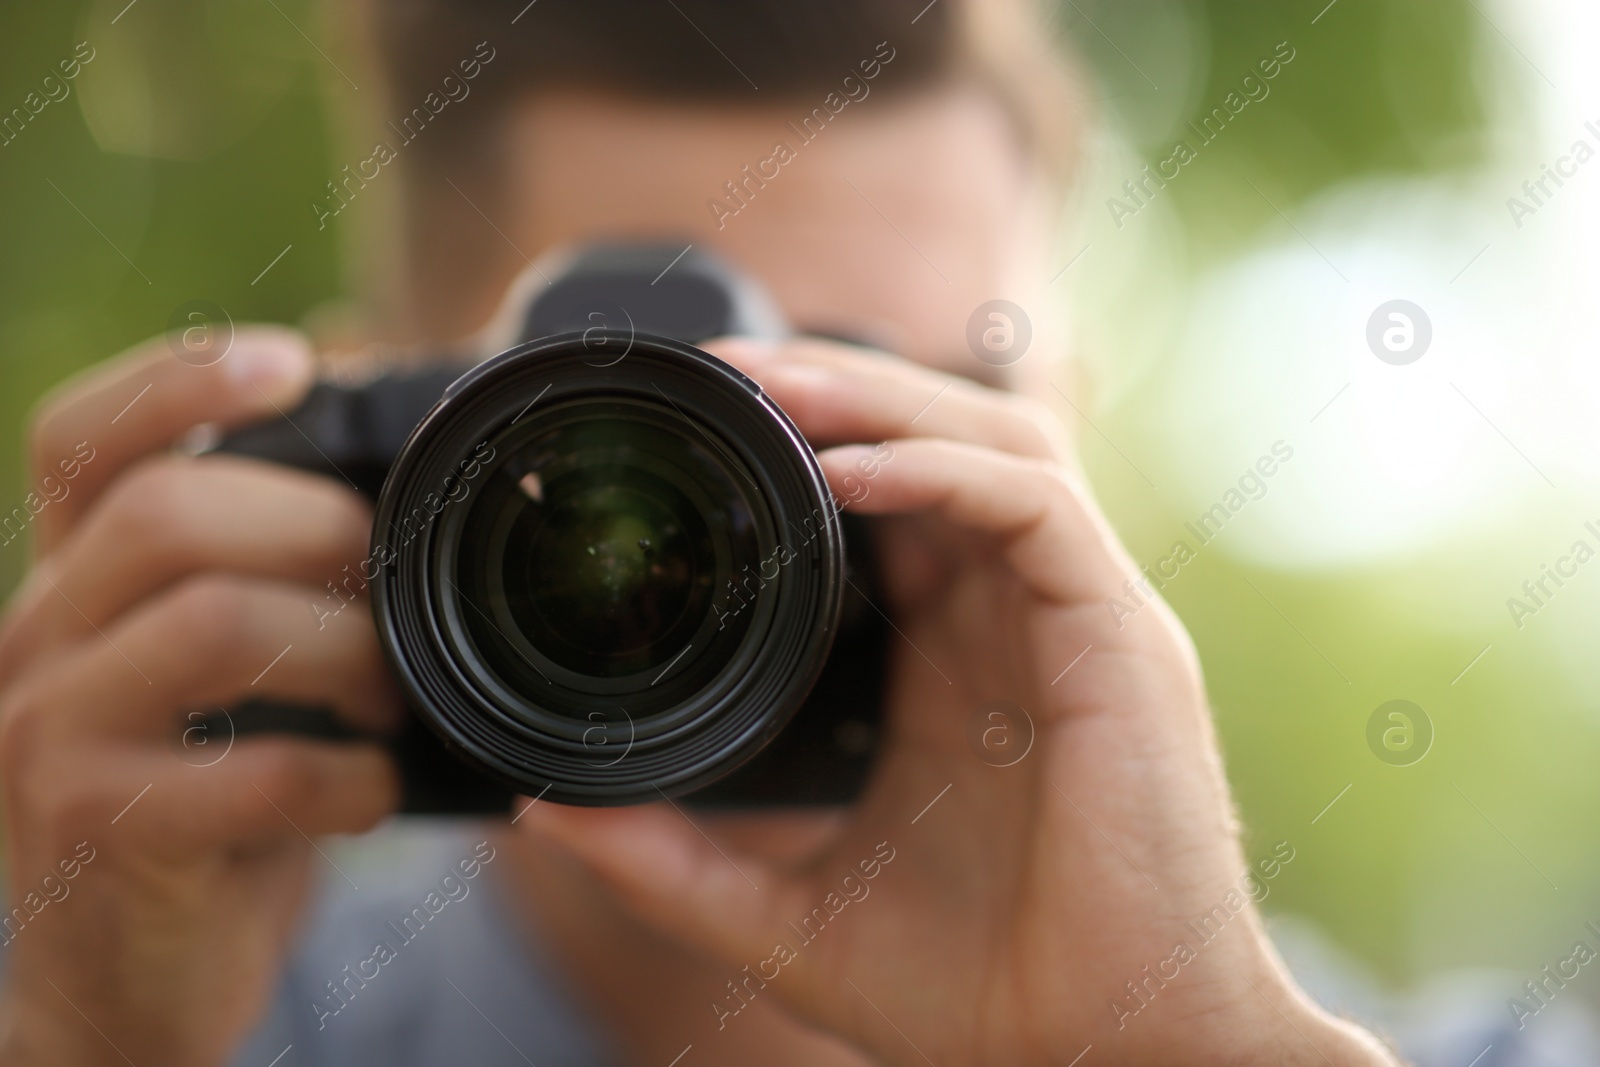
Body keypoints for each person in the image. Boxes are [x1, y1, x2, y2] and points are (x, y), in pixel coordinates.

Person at [0, 2, 1402, 1064]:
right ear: (380, 469)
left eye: (911, 404)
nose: (796, 517)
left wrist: (1187, 1041)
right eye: (637, 422)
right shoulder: (167, 1010)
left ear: (1065, 431)